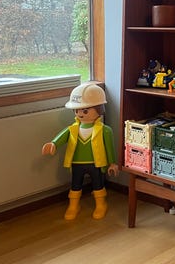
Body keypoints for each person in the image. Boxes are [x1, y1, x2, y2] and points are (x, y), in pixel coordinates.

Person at [41, 82, 119, 220]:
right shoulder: (73, 129)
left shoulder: (104, 130)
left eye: (85, 111)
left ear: (99, 109)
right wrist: (54, 144)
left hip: (96, 163)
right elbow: (63, 136)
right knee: (75, 185)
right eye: (77, 111)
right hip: (77, 163)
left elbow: (109, 147)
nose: (80, 114)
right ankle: (73, 205)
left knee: (98, 184)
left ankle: (101, 204)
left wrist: (112, 163)